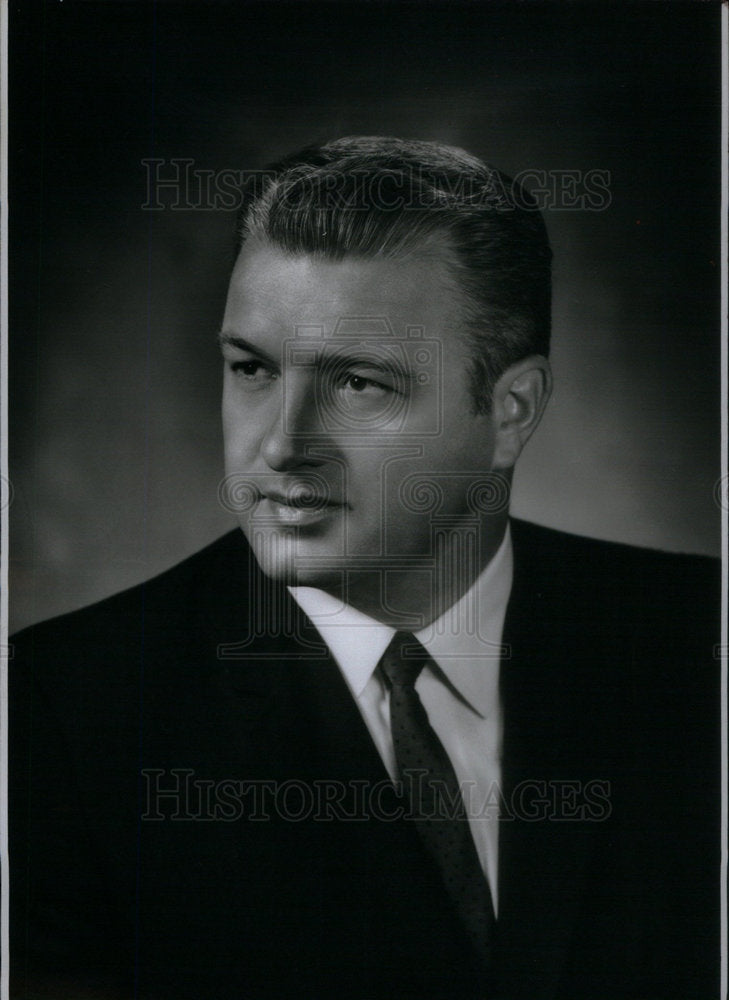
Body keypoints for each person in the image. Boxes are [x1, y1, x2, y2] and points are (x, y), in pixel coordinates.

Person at [10, 137, 720, 999]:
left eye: (358, 384)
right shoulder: (61, 715)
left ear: (511, 410)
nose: (279, 445)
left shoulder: (697, 642)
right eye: (251, 369)